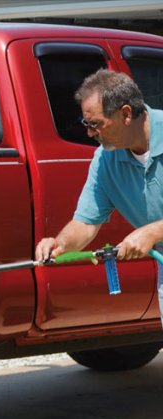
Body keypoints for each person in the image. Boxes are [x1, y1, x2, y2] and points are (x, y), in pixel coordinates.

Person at [35, 69, 163, 269]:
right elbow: (85, 224)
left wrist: (154, 232)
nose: (89, 133)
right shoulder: (105, 159)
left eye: (95, 124)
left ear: (126, 114)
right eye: (86, 123)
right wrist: (60, 245)